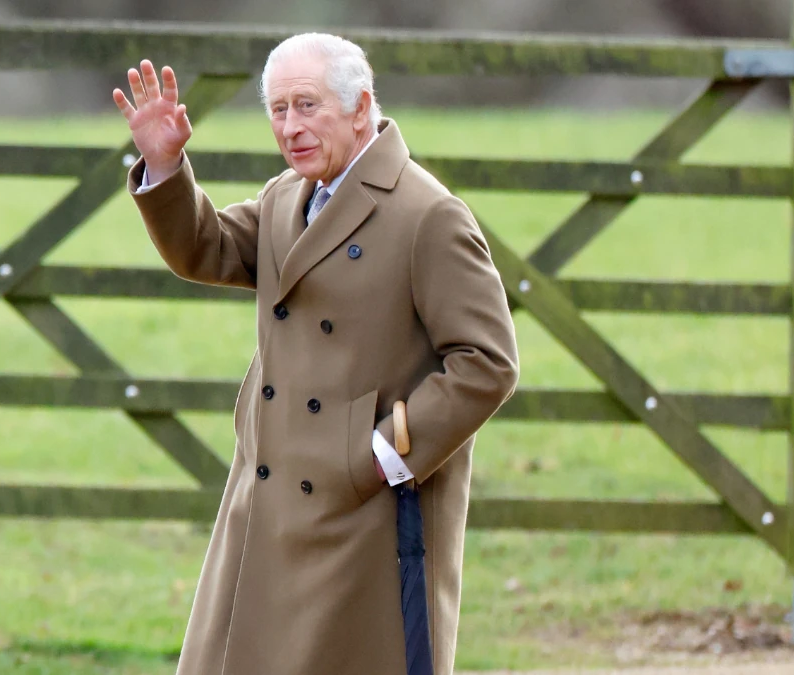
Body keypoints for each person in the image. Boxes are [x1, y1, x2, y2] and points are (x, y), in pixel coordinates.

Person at [114, 32, 519, 675]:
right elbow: (206, 248)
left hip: (366, 511)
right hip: (268, 496)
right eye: (278, 110)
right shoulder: (287, 196)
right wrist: (165, 167)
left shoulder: (428, 214)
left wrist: (382, 453)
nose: (290, 127)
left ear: (361, 107)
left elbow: (487, 360)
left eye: (307, 106)